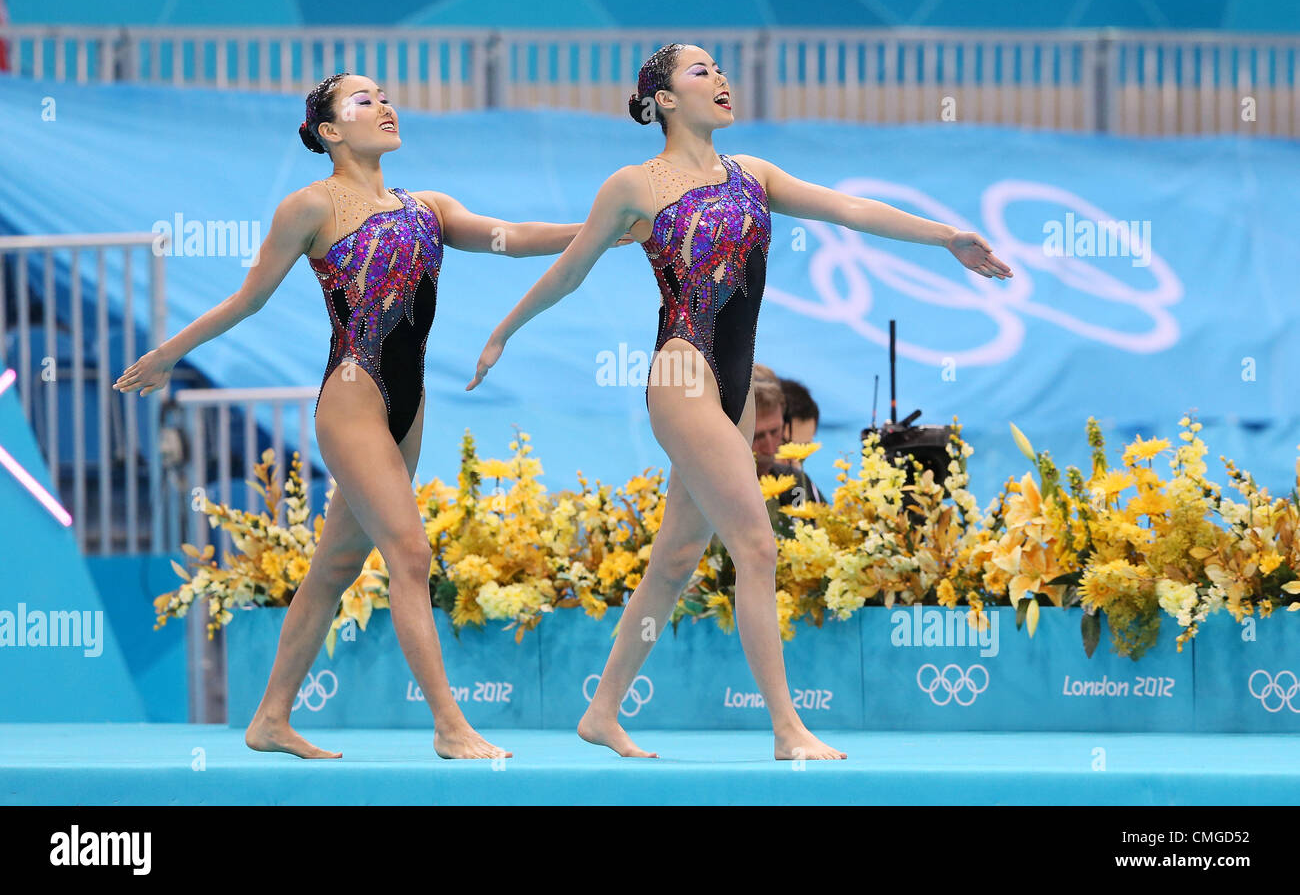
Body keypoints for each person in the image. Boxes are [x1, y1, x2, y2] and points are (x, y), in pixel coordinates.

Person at [466, 43, 1012, 761]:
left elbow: (847, 208)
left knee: (676, 559)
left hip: (735, 388)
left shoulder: (753, 175)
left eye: (721, 68)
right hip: (682, 376)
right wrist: (503, 332)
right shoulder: (634, 184)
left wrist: (945, 236)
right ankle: (788, 729)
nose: (720, 78)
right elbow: (570, 272)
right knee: (756, 545)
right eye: (701, 71)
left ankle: (601, 712)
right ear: (662, 99)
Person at [114, 72, 628, 760]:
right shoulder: (311, 207)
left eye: (385, 94)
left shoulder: (430, 208)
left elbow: (512, 236)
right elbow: (246, 300)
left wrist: (600, 229)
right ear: (329, 131)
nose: (384, 104)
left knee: (334, 567)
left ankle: (270, 719)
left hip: (408, 404)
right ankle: (449, 725)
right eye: (363, 100)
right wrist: (169, 354)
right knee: (410, 555)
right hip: (354, 397)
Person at [751, 378, 823, 509]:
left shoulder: (798, 483)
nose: (770, 448)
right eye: (758, 436)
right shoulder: (715, 489)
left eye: (775, 432)